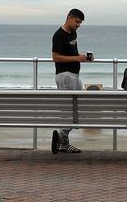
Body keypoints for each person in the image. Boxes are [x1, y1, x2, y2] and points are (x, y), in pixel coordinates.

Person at [51, 8, 89, 154]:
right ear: (69, 17)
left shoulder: (73, 33)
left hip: (75, 75)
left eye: (80, 23)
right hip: (65, 75)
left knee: (79, 107)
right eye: (77, 21)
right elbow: (56, 57)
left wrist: (82, 57)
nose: (78, 25)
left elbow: (71, 53)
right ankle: (62, 138)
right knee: (71, 109)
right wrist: (76, 58)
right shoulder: (58, 35)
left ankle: (63, 142)